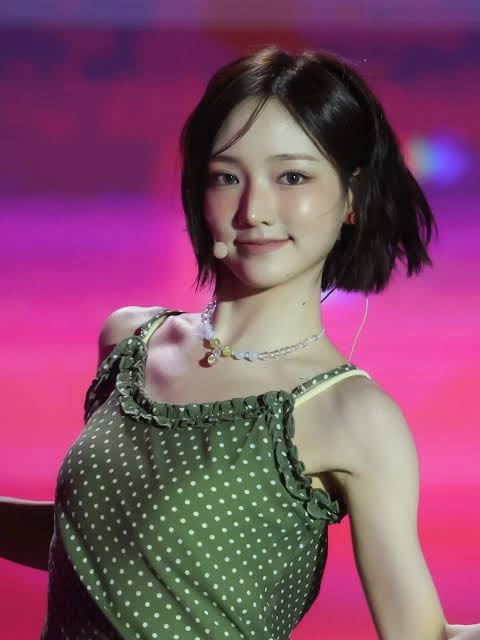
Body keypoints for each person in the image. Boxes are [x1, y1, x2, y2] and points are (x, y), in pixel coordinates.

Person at [1, 45, 478, 640]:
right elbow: (98, 539)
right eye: (227, 177)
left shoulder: (353, 414)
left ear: (352, 196)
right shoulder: (128, 342)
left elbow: (421, 634)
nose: (254, 210)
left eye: (292, 177)